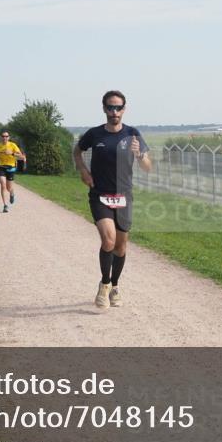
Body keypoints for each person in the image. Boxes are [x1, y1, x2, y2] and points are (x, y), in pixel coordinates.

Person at [73, 90, 151, 309]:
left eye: (118, 107)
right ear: (104, 108)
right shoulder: (94, 134)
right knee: (108, 239)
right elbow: (77, 152)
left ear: (124, 110)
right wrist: (83, 171)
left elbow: (148, 168)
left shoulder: (133, 134)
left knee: (121, 247)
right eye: (110, 107)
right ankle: (104, 284)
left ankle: (115, 285)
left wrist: (140, 155)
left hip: (124, 196)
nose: (114, 111)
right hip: (100, 194)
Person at [0, 131, 25, 213]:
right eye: (3, 136)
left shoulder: (13, 145)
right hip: (1, 166)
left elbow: (22, 157)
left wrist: (12, 153)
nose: (4, 137)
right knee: (3, 185)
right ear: (1, 137)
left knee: (9, 188)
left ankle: (12, 193)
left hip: (11, 167)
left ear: (9, 137)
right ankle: (5, 205)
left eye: (6, 136)